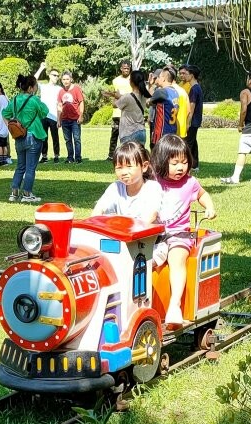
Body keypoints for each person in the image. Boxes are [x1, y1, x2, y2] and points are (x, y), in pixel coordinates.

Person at [151, 134, 216, 326]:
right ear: (161, 162)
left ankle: (175, 305)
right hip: (154, 235)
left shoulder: (190, 183)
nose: (180, 167)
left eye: (184, 162)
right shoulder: (153, 181)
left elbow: (202, 195)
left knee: (177, 259)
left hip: (179, 235)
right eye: (174, 163)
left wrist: (209, 207)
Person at [2, 74, 48, 203]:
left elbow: (4, 114)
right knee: (30, 168)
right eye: (36, 86)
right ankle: (27, 194)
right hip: (34, 136)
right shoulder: (34, 100)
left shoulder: (14, 100)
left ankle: (14, 193)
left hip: (19, 137)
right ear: (31, 88)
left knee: (20, 166)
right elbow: (44, 112)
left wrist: (11, 128)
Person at [93, 141, 161, 223]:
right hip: (121, 230)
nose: (124, 172)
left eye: (129, 166)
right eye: (119, 167)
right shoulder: (115, 188)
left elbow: (150, 217)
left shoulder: (152, 188)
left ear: (144, 166)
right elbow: (98, 210)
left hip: (145, 230)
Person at [221, 74, 251, 185]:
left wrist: (240, 124)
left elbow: (244, 109)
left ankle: (235, 178)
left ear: (250, 81)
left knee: (243, 151)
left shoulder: (245, 92)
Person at [104, 70, 150, 146]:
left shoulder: (127, 97)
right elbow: (131, 99)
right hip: (141, 132)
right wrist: (118, 96)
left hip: (129, 133)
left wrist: (115, 96)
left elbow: (114, 105)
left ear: (132, 82)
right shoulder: (143, 96)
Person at [33, 62, 62, 164]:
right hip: (43, 116)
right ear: (49, 75)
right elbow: (33, 80)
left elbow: (60, 104)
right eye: (54, 75)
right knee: (43, 137)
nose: (56, 77)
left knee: (55, 137)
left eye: (57, 76)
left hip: (54, 116)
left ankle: (56, 155)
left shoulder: (59, 89)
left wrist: (59, 118)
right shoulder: (43, 86)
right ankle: (44, 156)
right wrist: (41, 68)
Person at [107, 60, 134, 160]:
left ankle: (127, 155)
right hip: (117, 113)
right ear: (121, 68)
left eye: (128, 68)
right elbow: (115, 95)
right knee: (114, 134)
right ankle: (111, 155)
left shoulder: (133, 80)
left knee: (127, 136)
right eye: (124, 68)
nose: (126, 70)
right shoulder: (116, 81)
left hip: (128, 113)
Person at [147, 68, 178, 149]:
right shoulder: (175, 91)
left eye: (159, 77)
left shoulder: (161, 92)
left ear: (163, 79)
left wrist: (151, 85)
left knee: (158, 154)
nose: (157, 79)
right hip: (172, 130)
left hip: (162, 132)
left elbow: (148, 103)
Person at [57, 71, 84, 163]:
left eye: (67, 79)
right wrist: (58, 120)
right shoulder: (61, 92)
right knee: (68, 140)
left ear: (71, 79)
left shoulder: (76, 89)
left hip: (75, 119)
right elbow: (59, 106)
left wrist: (81, 116)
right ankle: (70, 158)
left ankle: (78, 158)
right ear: (61, 80)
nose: (65, 81)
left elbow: (81, 102)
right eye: (64, 79)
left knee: (77, 139)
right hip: (65, 119)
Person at [180, 65, 203, 172]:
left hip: (193, 121)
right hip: (196, 120)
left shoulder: (194, 89)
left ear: (192, 75)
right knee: (193, 142)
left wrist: (187, 122)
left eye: (186, 74)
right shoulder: (197, 87)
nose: (184, 76)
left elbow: (191, 107)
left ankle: (187, 166)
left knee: (187, 144)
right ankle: (194, 165)